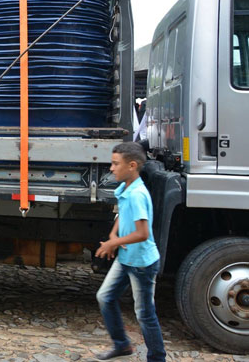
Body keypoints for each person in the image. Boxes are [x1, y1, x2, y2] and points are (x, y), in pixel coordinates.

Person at [94, 142, 165, 361]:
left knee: (145, 314)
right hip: (126, 258)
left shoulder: (137, 194)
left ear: (132, 165)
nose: (112, 168)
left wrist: (112, 244)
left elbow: (143, 232)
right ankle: (122, 345)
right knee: (105, 297)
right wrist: (114, 235)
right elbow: (121, 215)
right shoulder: (126, 188)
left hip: (142, 263)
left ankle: (157, 358)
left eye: (116, 164)